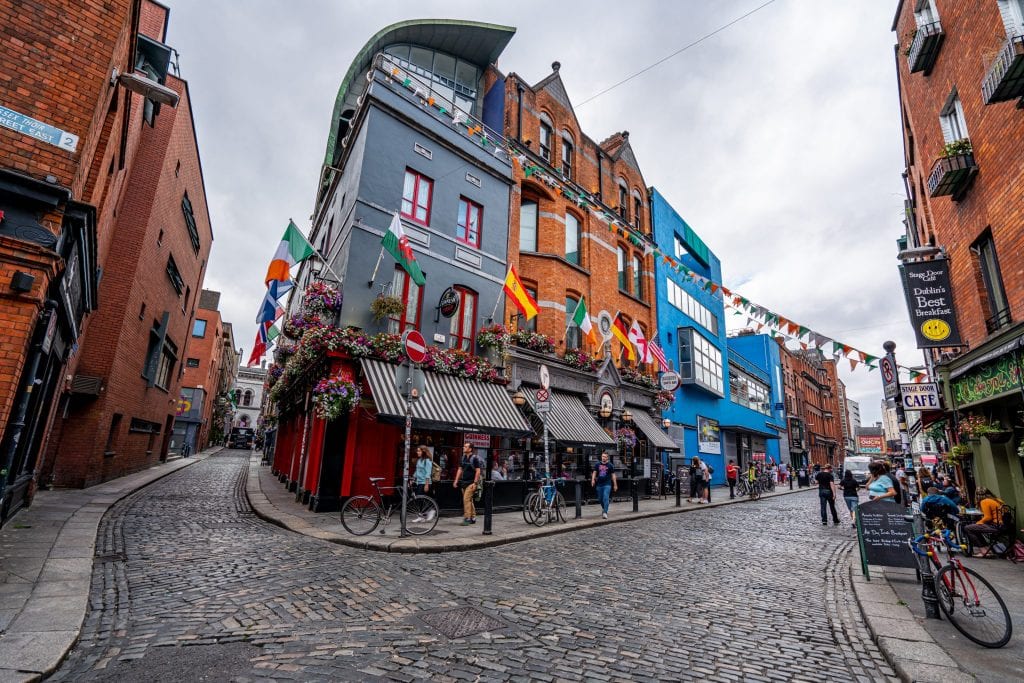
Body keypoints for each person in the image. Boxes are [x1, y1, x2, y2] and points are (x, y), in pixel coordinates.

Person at [964, 488, 1005, 554]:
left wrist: (978, 523)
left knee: (968, 528)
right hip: (1004, 525)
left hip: (996, 526)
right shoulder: (996, 499)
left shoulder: (985, 501)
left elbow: (988, 518)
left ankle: (983, 550)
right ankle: (987, 549)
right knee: (974, 527)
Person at [453, 442, 483, 525]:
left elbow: (478, 471)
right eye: (464, 446)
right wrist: (456, 480)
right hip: (464, 482)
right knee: (469, 500)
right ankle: (473, 517)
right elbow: (460, 470)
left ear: (470, 449)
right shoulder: (462, 458)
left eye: (465, 447)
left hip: (471, 483)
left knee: (466, 499)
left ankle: (467, 518)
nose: (463, 448)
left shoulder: (475, 458)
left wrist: (475, 483)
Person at [590, 452, 618, 519]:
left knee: (605, 497)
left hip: (607, 484)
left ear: (607, 457)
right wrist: (593, 480)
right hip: (599, 484)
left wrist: (615, 485)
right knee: (600, 498)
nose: (604, 458)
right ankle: (604, 508)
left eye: (605, 457)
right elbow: (594, 472)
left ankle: (605, 512)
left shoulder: (610, 465)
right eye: (603, 456)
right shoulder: (597, 464)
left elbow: (613, 475)